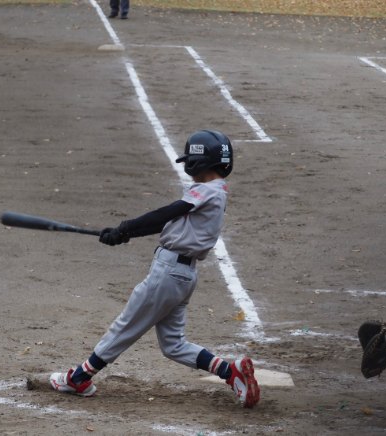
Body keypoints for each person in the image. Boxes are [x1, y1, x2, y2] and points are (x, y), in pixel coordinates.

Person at [49, 130, 260, 408]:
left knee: (126, 325)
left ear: (200, 161)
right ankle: (230, 372)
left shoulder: (207, 190)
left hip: (169, 274)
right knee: (173, 345)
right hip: (183, 275)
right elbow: (165, 222)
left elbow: (167, 212)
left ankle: (79, 378)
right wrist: (125, 234)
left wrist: (125, 227)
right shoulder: (216, 192)